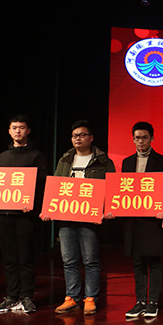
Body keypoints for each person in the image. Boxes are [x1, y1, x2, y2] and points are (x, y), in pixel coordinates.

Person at [49, 120, 115, 315]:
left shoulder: (103, 161)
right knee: (69, 260)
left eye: (82, 135)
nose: (78, 138)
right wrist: (49, 209)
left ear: (91, 138)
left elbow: (111, 189)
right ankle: (72, 297)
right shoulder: (65, 160)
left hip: (90, 218)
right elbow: (56, 187)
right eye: (74, 135)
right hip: (66, 217)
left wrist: (105, 210)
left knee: (90, 259)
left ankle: (90, 297)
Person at [0, 115, 49, 314]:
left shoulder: (37, 156)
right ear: (9, 131)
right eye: (14, 127)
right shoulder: (2, 156)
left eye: (22, 127)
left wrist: (32, 204)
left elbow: (42, 186)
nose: (18, 131)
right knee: (9, 260)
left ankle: (27, 297)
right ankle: (11, 297)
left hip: (25, 216)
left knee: (25, 258)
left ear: (28, 131)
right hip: (2, 215)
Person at [121, 121, 163, 319]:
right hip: (132, 219)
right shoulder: (127, 162)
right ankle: (140, 301)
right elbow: (122, 189)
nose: (140, 141)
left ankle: (153, 302)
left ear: (152, 138)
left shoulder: (162, 161)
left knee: (154, 262)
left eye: (144, 137)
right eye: (137, 138)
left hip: (153, 219)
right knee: (137, 262)